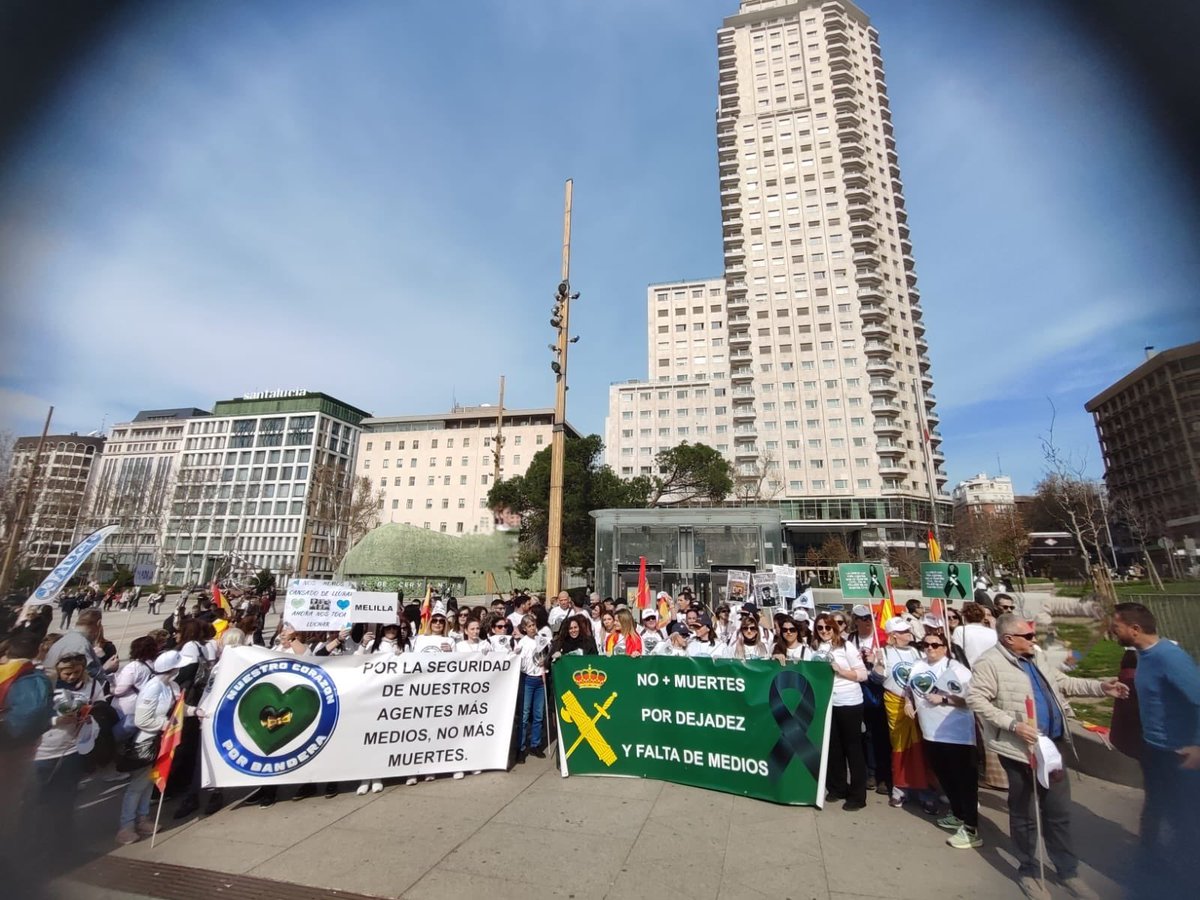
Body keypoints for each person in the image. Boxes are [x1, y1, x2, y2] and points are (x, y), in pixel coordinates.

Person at [967, 613, 1128, 900]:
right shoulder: (989, 663)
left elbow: (1063, 683)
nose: (1034, 639)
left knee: (1058, 812)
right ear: (1008, 639)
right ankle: (1029, 871)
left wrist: (1101, 687)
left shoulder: (1037, 657)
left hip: (1052, 747)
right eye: (1027, 636)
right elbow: (976, 699)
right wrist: (1013, 725)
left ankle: (1068, 872)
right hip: (1020, 750)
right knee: (1025, 814)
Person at [1109, 602, 1200, 897]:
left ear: (1134, 629)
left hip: (1178, 755)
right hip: (1154, 751)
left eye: (1117, 626)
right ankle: (1150, 873)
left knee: (1181, 820)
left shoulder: (1170, 658)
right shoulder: (1142, 657)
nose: (1113, 630)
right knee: (1155, 813)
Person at [117, 650, 207, 844]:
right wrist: (167, 725)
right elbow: (143, 719)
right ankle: (126, 825)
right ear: (172, 669)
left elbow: (178, 707)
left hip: (162, 740)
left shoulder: (170, 685)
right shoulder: (153, 688)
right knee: (137, 785)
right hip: (148, 741)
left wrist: (194, 711)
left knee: (150, 781)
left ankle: (142, 818)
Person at [907, 630, 980, 849]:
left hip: (956, 735)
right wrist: (908, 703)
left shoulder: (957, 670)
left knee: (964, 782)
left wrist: (945, 698)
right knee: (945, 778)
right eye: (926, 644)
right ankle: (957, 815)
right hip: (930, 732)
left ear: (945, 648)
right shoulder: (918, 665)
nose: (930, 648)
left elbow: (971, 699)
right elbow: (909, 690)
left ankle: (971, 828)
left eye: (935, 645)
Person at [875, 617, 933, 810]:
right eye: (903, 631)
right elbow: (877, 678)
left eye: (908, 630)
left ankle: (924, 791)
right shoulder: (883, 652)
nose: (908, 633)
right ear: (893, 635)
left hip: (917, 704)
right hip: (895, 704)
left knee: (920, 748)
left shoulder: (916, 651)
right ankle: (900, 789)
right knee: (899, 747)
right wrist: (876, 666)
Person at [813, 612, 869, 810]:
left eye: (828, 627)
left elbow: (862, 674)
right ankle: (838, 787)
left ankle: (858, 795)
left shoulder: (846, 646)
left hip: (849, 702)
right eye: (820, 628)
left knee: (853, 749)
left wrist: (841, 671)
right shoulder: (815, 647)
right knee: (834, 748)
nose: (824, 631)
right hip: (828, 704)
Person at [848, 604, 890, 796]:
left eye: (869, 618)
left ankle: (883, 776)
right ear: (855, 620)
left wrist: (877, 660)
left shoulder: (882, 638)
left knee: (879, 734)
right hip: (858, 690)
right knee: (864, 735)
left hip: (879, 691)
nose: (866, 622)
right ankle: (870, 772)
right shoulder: (850, 639)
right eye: (862, 618)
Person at [514, 615, 550, 763]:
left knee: (538, 714)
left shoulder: (541, 639)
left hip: (540, 679)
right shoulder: (522, 643)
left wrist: (545, 661)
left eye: (533, 625)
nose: (532, 628)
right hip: (528, 679)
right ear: (524, 628)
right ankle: (521, 748)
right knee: (524, 714)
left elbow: (547, 655)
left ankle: (535, 744)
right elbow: (517, 661)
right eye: (529, 626)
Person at [42, 609, 106, 685]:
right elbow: (87, 676)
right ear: (98, 623)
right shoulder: (81, 645)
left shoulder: (67, 638)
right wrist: (106, 668)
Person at [953, 601, 998, 666]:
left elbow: (957, 653)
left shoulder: (960, 630)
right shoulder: (993, 632)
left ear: (964, 616)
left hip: (971, 670)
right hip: (991, 669)